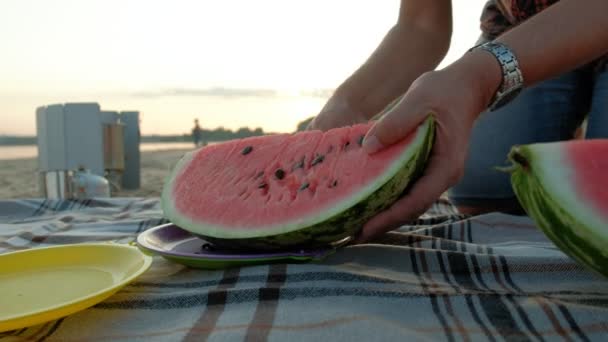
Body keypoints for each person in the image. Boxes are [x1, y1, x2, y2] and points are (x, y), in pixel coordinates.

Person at [308, 0, 608, 242]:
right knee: (484, 185)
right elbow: (420, 25)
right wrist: (348, 102)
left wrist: (478, 75)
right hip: (522, 27)